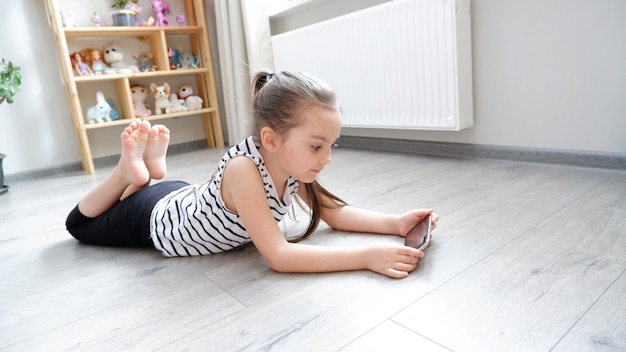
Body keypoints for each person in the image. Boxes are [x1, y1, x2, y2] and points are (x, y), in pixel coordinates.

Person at [66, 71, 439, 279]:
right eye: (316, 146)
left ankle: (144, 176)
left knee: (144, 191)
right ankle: (124, 174)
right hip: (155, 219)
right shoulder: (245, 169)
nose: (326, 158)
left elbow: (336, 214)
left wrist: (396, 222)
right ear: (270, 139)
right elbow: (279, 255)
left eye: (331, 146)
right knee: (78, 225)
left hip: (184, 196)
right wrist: (367, 256)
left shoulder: (293, 167)